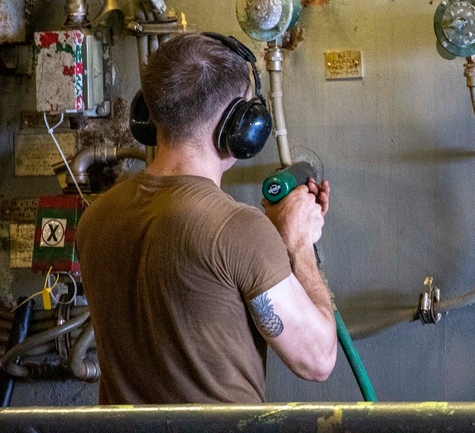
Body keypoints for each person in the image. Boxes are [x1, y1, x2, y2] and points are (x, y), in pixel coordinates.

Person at [77, 33, 337, 404]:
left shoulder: (96, 218)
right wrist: (298, 244)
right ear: (240, 126)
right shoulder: (239, 230)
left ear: (149, 115)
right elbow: (318, 359)